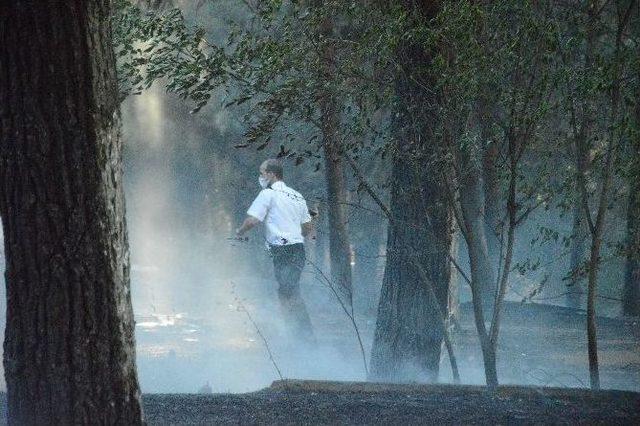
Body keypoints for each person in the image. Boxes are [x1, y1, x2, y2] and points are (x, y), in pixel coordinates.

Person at [236, 159, 315, 343]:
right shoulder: (297, 195)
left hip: (282, 250)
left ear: (272, 174)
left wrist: (239, 232)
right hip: (298, 249)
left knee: (288, 291)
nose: (261, 177)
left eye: (262, 173)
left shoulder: (268, 194)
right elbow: (307, 227)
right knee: (288, 290)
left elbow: (253, 220)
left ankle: (303, 338)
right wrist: (294, 231)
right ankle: (299, 335)